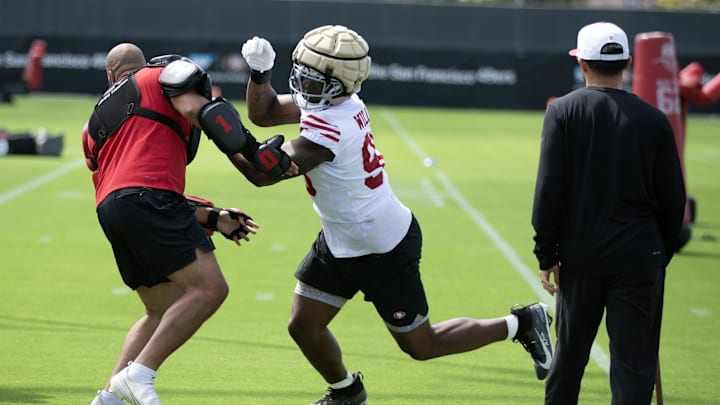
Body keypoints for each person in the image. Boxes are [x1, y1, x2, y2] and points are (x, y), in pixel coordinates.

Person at [233, 25, 554, 405]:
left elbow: (261, 173)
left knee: (422, 345)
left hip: (380, 246)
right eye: (301, 73)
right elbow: (265, 113)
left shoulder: (332, 127)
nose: (303, 84)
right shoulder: (338, 102)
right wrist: (260, 74)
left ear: (338, 84)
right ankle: (346, 392)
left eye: (312, 78)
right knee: (304, 326)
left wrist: (215, 125)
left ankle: (522, 323)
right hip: (341, 240)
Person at [86, 43, 295, 405]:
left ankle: (109, 399)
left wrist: (213, 217)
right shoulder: (158, 75)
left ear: (110, 76)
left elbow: (125, 190)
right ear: (142, 64)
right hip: (148, 198)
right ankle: (138, 375)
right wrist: (256, 152)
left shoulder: (94, 125)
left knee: (161, 309)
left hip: (112, 210)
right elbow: (204, 113)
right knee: (209, 289)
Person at [531, 22, 686, 405]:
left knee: (568, 361)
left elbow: (549, 190)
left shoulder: (562, 112)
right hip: (639, 259)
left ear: (582, 64)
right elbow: (673, 200)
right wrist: (658, 253)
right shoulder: (654, 119)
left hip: (581, 257)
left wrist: (546, 253)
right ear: (628, 63)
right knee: (634, 367)